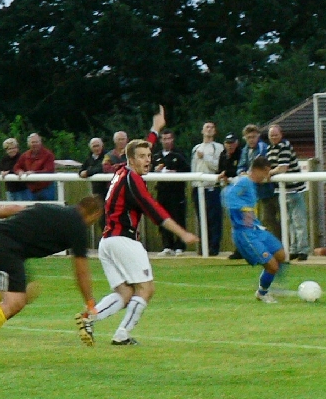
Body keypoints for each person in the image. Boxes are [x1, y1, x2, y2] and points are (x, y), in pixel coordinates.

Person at [0, 196, 104, 363]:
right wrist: (90, 302)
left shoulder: (55, 209)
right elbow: (81, 272)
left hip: (2, 246)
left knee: (29, 290)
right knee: (14, 302)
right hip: (4, 249)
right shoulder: (78, 228)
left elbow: (15, 208)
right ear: (95, 215)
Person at [80, 138, 199, 346]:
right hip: (123, 240)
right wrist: (182, 233)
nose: (148, 160)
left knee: (125, 292)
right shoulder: (132, 179)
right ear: (131, 160)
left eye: (149, 156)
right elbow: (153, 209)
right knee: (146, 289)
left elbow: (135, 148)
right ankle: (122, 335)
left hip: (107, 241)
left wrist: (154, 131)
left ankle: (88, 318)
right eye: (142, 157)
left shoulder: (120, 171)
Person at [222, 156, 288, 303]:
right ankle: (262, 292)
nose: (267, 176)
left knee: (281, 254)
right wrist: (244, 209)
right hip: (244, 232)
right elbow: (227, 195)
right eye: (266, 172)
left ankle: (274, 283)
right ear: (260, 170)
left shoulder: (250, 182)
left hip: (256, 229)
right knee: (272, 265)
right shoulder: (244, 181)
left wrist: (277, 171)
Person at [266, 124, 309, 261]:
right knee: (289, 221)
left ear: (281, 135)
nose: (274, 137)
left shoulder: (284, 146)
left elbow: (282, 168)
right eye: (271, 135)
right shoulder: (269, 149)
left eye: (276, 135)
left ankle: (302, 250)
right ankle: (293, 249)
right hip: (282, 190)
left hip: (294, 189)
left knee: (298, 221)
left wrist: (269, 173)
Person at [152, 129, 190, 256]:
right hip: (162, 192)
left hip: (176, 192)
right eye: (164, 139)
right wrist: (156, 170)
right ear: (160, 140)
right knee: (163, 218)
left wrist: (176, 172)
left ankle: (180, 246)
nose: (167, 141)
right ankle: (167, 245)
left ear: (173, 139)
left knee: (178, 218)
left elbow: (187, 169)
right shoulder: (157, 156)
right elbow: (148, 170)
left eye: (169, 138)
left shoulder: (179, 154)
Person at [191, 121, 225, 256]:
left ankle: (213, 247)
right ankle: (203, 246)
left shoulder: (218, 147)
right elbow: (194, 168)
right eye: (207, 127)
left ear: (215, 131)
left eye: (212, 127)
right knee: (201, 218)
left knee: (214, 219)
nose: (209, 129)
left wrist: (205, 157)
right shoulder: (196, 148)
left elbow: (218, 166)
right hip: (198, 188)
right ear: (202, 131)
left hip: (212, 187)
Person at [217, 132, 243, 259]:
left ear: (236, 143)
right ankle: (239, 248)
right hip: (229, 192)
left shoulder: (241, 153)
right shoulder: (223, 154)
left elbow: (239, 170)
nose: (230, 145)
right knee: (234, 221)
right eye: (228, 143)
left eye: (232, 143)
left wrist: (226, 173)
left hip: (241, 193)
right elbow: (219, 170)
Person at [14, 133, 56, 200]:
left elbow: (49, 170)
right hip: (31, 190)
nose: (34, 144)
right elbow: (17, 167)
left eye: (36, 142)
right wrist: (19, 171)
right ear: (28, 144)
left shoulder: (48, 154)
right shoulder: (25, 155)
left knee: (48, 206)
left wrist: (34, 173)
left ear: (40, 142)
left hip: (46, 189)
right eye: (32, 142)